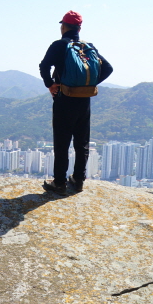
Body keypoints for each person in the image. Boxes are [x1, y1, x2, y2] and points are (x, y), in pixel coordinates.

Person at [38, 10, 113, 195]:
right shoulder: (88, 47)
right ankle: (78, 180)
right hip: (84, 101)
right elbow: (108, 68)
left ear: (63, 27)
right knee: (82, 142)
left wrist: (50, 84)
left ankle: (59, 183)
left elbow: (44, 65)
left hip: (64, 99)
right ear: (79, 28)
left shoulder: (59, 45)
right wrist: (88, 85)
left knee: (62, 142)